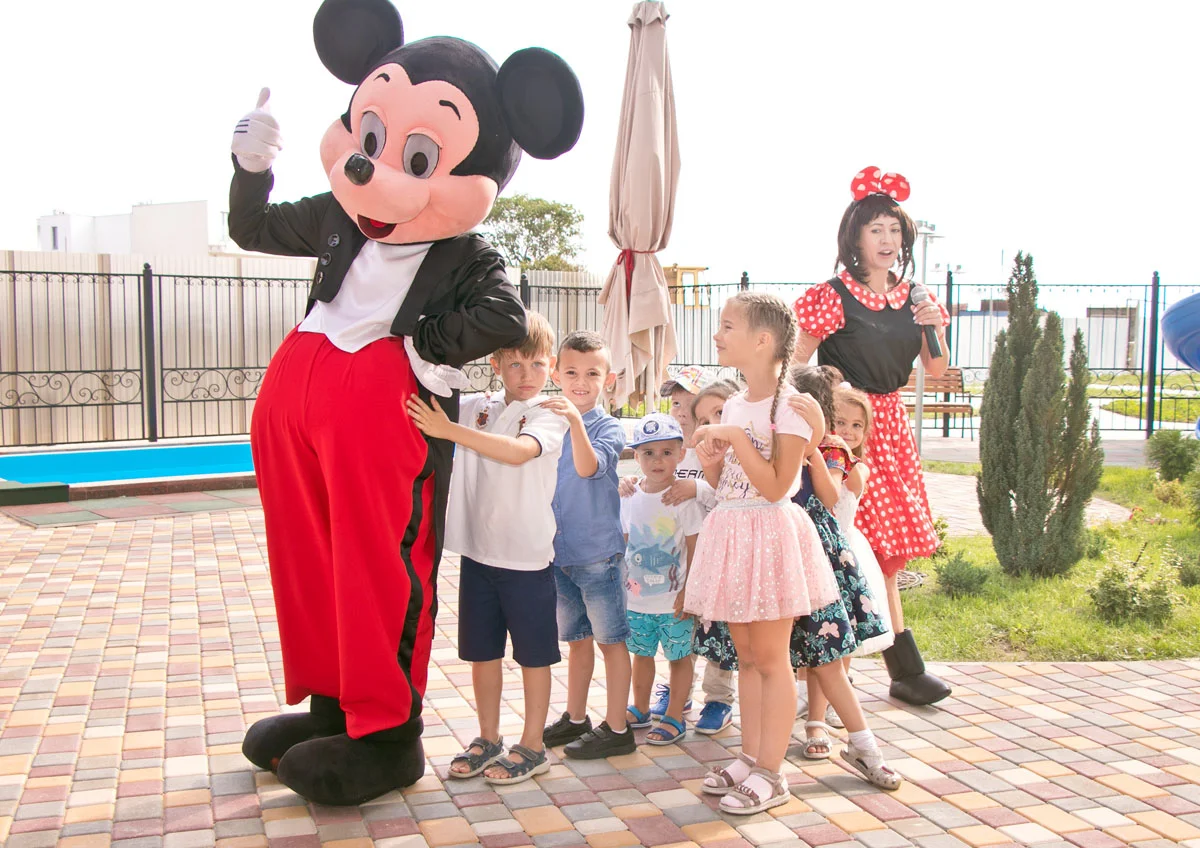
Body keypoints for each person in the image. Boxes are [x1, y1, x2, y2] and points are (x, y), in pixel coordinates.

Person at [684, 292, 866, 814]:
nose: (718, 335)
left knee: (772, 658)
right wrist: (711, 455)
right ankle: (749, 756)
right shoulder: (738, 403)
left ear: (763, 341)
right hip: (734, 535)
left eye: (727, 326)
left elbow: (775, 486)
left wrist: (736, 439)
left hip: (770, 539)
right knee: (746, 658)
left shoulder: (793, 408)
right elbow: (731, 485)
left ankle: (772, 771)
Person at [792, 166, 952, 706]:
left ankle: (895, 665)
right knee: (846, 540)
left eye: (895, 230)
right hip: (848, 430)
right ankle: (876, 664)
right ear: (855, 237)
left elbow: (938, 365)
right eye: (877, 229)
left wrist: (933, 324)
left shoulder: (915, 297)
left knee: (886, 552)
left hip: (893, 428)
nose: (889, 240)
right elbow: (796, 360)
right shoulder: (832, 294)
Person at [407, 312, 566, 786]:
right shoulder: (478, 405)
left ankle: (533, 745)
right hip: (477, 553)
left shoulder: (548, 414)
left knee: (534, 656)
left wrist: (448, 432)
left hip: (526, 558)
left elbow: (518, 452)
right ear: (496, 364)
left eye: (537, 365)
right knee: (483, 653)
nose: (526, 375)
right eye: (515, 364)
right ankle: (488, 738)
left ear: (551, 366)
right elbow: (427, 381)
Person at [620, 367, 736, 734]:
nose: (682, 411)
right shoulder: (659, 469)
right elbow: (628, 536)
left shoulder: (714, 455)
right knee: (651, 652)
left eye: (691, 405)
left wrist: (697, 490)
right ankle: (664, 701)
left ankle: (711, 702)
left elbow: (718, 504)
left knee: (705, 645)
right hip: (644, 593)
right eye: (677, 403)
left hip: (707, 570)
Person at [788, 365, 893, 762]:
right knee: (799, 645)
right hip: (791, 549)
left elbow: (832, 497)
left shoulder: (833, 452)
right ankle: (796, 711)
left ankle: (820, 718)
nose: (847, 431)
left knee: (828, 647)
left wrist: (819, 451)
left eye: (855, 425)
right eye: (840, 422)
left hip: (832, 555)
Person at [540, 331, 635, 759]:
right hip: (559, 555)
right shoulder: (544, 421)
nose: (581, 381)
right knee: (577, 640)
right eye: (572, 372)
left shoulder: (608, 427)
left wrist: (576, 423)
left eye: (592, 374)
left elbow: (587, 466)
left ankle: (617, 729)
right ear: (556, 374)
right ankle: (576, 717)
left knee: (610, 642)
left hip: (599, 555)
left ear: (608, 379)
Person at [622, 413, 706, 744]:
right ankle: (641, 708)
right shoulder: (629, 495)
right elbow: (626, 544)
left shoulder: (682, 498)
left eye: (666, 452)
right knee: (640, 656)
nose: (658, 460)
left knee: (678, 657)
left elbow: (695, 547)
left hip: (673, 602)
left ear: (681, 454)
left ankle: (673, 715)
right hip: (638, 600)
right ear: (636, 456)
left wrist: (689, 592)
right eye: (648, 453)